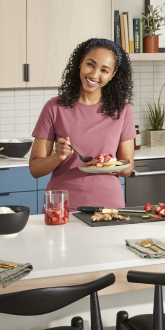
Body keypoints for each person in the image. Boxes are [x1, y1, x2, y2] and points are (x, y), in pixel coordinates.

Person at [29, 38, 135, 211]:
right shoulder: (54, 108)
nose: (94, 75)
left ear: (113, 74)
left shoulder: (122, 110)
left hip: (108, 206)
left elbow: (128, 167)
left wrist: (113, 165)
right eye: (90, 65)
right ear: (80, 63)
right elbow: (35, 169)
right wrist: (58, 156)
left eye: (104, 70)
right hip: (62, 208)